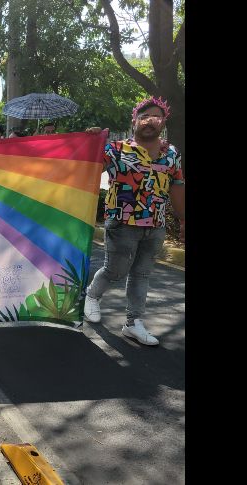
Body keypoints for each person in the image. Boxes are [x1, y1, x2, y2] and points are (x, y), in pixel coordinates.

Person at [82, 97, 185, 346]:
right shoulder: (116, 149)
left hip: (156, 225)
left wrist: (183, 220)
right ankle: (92, 296)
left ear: (163, 123)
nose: (150, 122)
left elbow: (177, 186)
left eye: (156, 118)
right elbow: (87, 169)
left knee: (142, 274)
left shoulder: (170, 153)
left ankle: (133, 323)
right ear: (135, 119)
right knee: (115, 270)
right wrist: (91, 143)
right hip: (122, 223)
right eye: (145, 116)